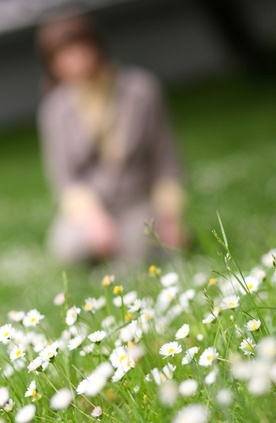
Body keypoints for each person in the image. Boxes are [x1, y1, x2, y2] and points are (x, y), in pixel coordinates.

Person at [37, 14, 186, 265]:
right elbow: (64, 177)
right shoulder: (54, 109)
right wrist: (92, 217)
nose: (76, 61)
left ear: (97, 47)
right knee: (67, 246)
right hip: (94, 203)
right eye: (64, 55)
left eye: (80, 49)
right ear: (53, 64)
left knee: (136, 258)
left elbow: (166, 159)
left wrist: (170, 216)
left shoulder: (141, 89)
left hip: (139, 197)